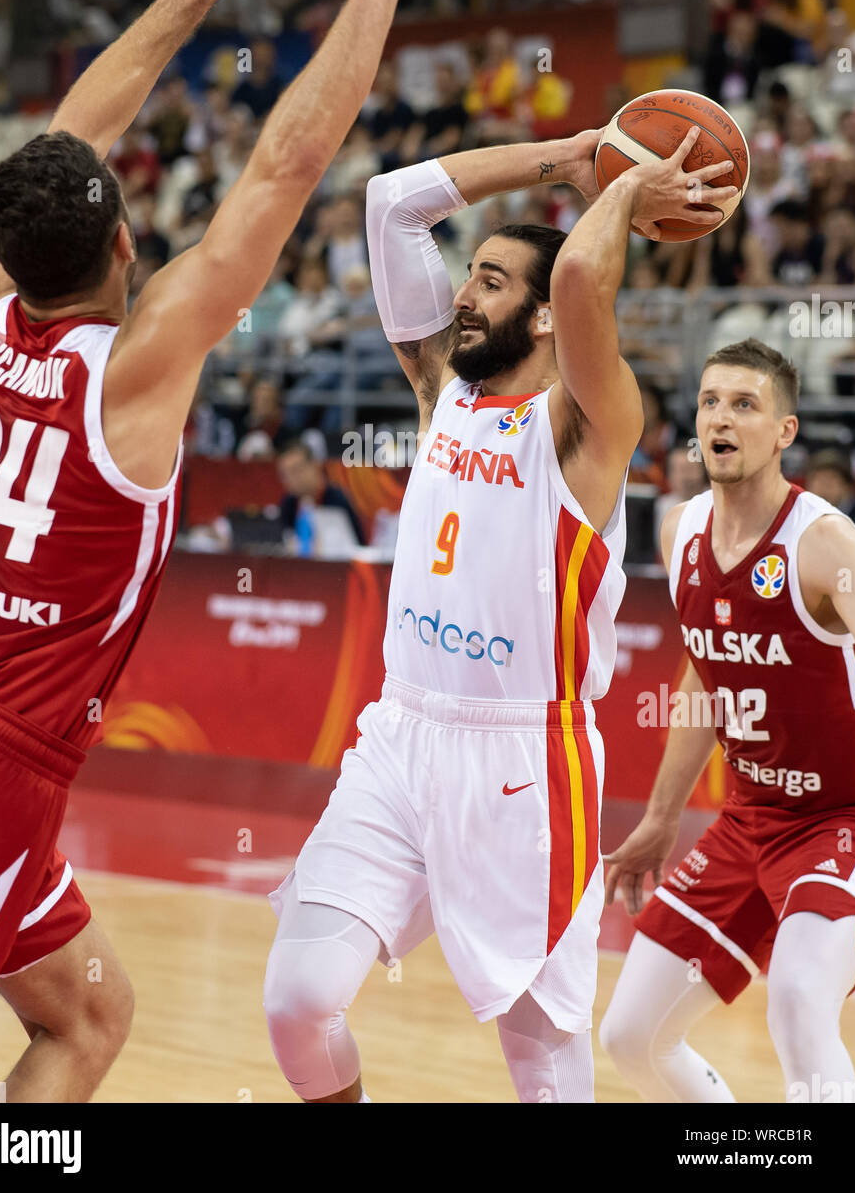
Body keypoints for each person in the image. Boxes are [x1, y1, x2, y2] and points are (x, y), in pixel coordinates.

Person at [0, 0, 418, 1098]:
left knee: (89, 1020)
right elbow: (285, 166)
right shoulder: (133, 375)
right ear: (128, 240)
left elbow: (65, 137)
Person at [263, 126, 737, 1102]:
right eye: (466, 273)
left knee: (540, 1054)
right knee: (298, 998)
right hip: (399, 735)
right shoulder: (441, 389)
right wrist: (568, 154)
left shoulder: (586, 425)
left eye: (488, 280)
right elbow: (391, 201)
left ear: (539, 315)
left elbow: (578, 292)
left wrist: (620, 189)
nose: (464, 293)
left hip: (528, 761)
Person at [600, 339, 855, 1103]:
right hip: (748, 823)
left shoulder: (827, 546)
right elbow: (703, 679)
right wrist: (659, 818)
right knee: (631, 1037)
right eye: (711, 401)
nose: (722, 417)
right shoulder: (678, 529)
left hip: (843, 820)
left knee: (801, 1006)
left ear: (784, 431)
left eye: (745, 404)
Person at [276, 439, 365, 550]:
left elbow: (358, 545)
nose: (292, 479)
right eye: (285, 474)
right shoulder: (289, 504)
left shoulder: (337, 501)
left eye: (297, 470)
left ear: (314, 465)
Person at [803, 448, 855, 528]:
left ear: (847, 486)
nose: (824, 488)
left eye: (830, 482)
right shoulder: (799, 514)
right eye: (819, 480)